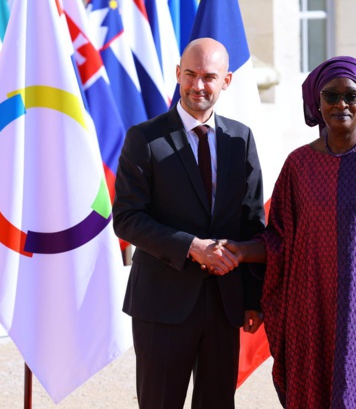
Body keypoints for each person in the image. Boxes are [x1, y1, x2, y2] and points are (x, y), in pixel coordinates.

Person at [215, 56, 356, 408]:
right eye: (331, 95)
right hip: (316, 315)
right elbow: (279, 240)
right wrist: (237, 250)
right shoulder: (298, 165)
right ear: (316, 102)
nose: (341, 104)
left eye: (351, 95)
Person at [112, 37, 266, 409]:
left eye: (209, 77)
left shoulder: (240, 139)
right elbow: (127, 219)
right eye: (191, 74)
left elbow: (252, 222)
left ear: (226, 81)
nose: (198, 85)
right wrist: (192, 248)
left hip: (224, 304)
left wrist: (252, 300)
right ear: (177, 74)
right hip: (162, 304)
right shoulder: (144, 139)